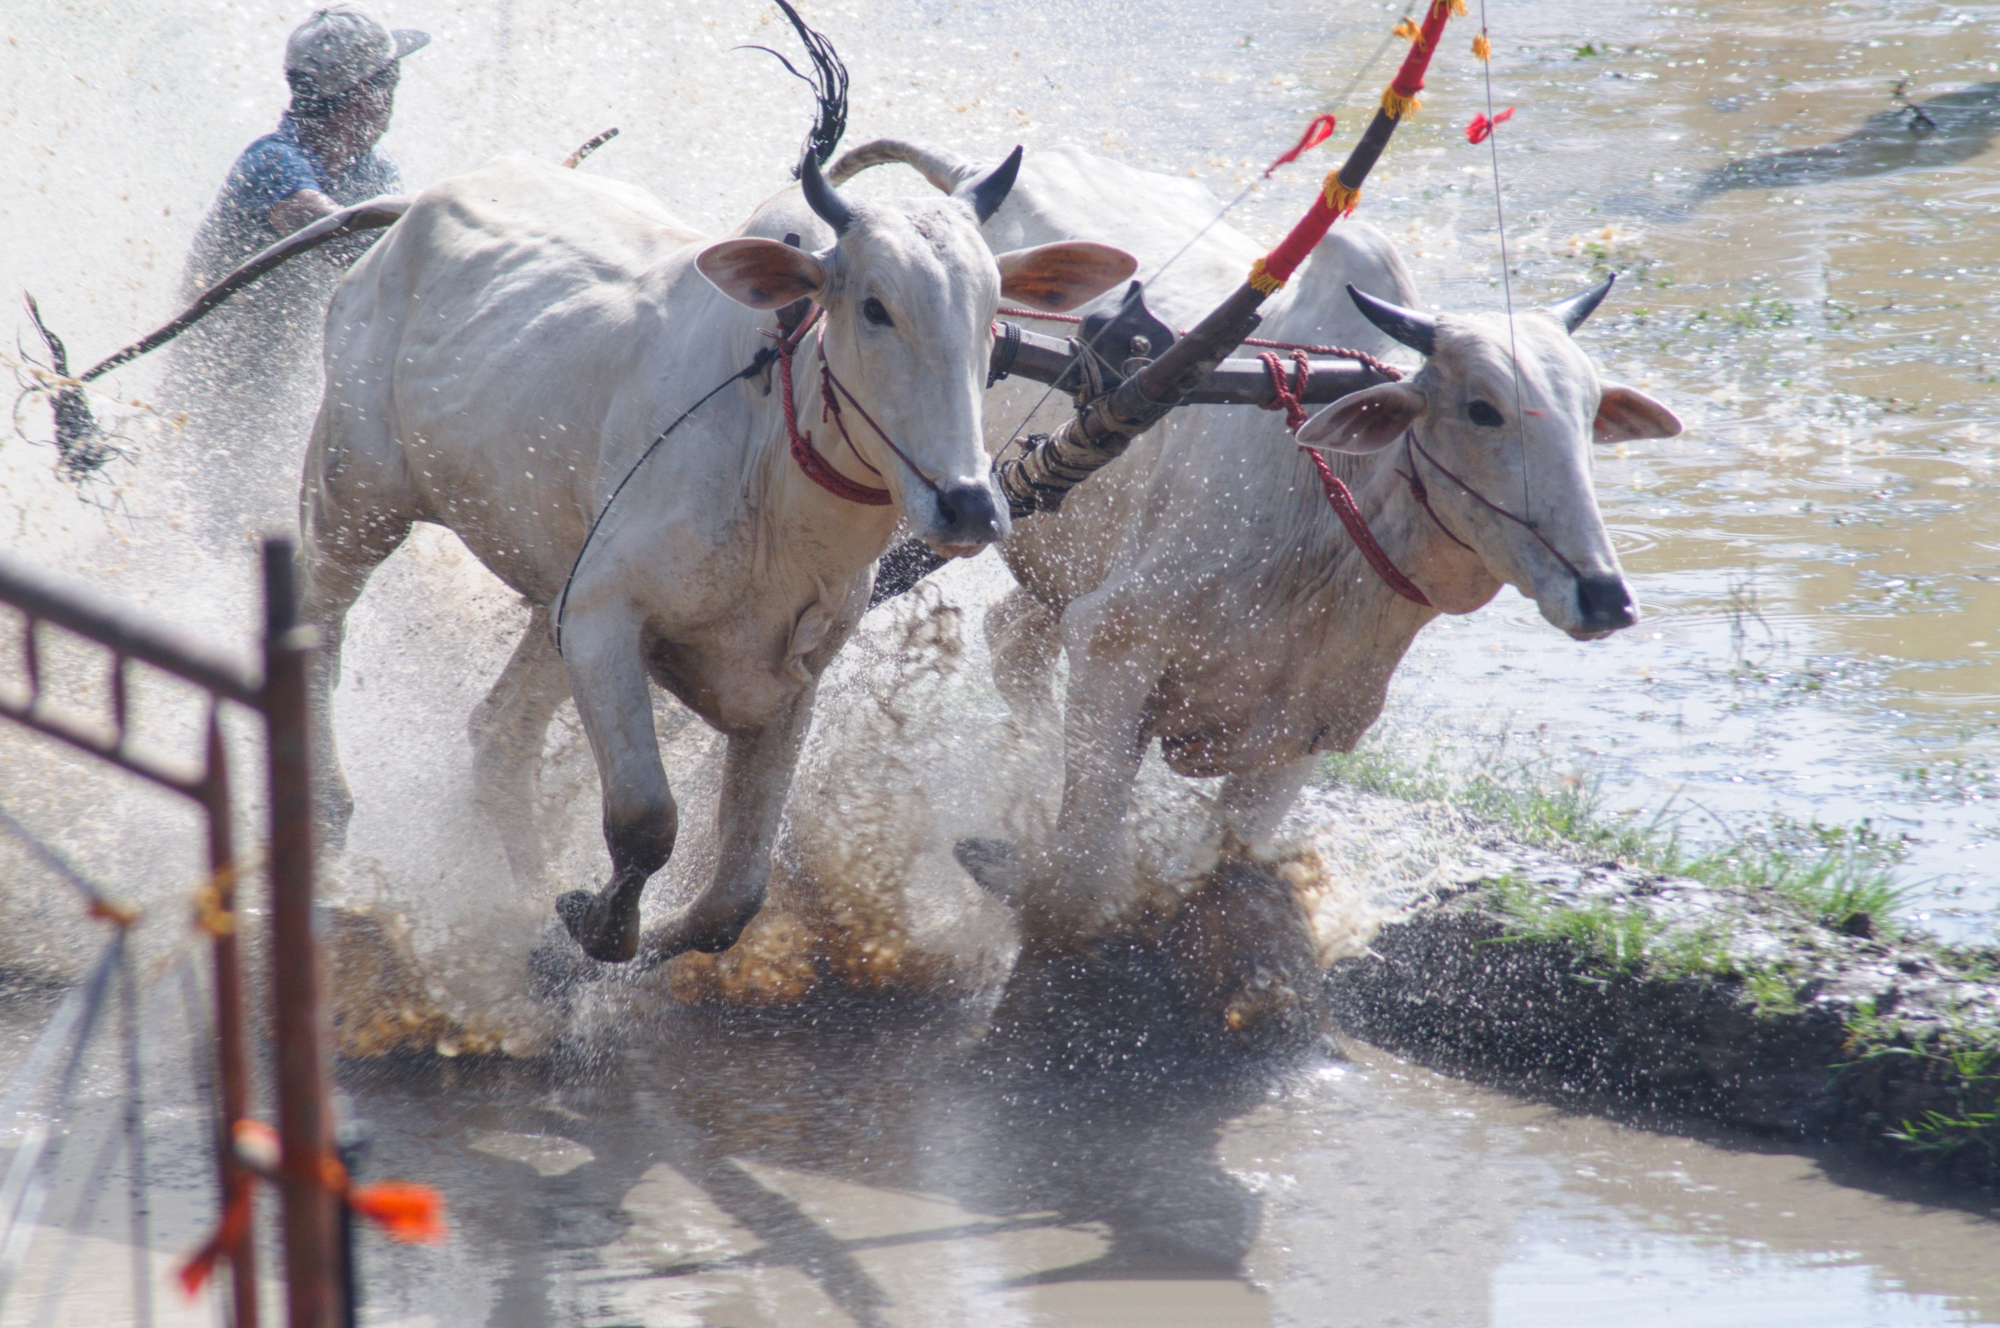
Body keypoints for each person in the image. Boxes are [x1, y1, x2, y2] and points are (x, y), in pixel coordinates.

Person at [162, 6, 429, 535]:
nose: (395, 95)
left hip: (286, 392)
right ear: (362, 96)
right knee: (228, 537)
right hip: (223, 404)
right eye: (392, 79)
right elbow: (332, 232)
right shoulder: (272, 163)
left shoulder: (372, 170)